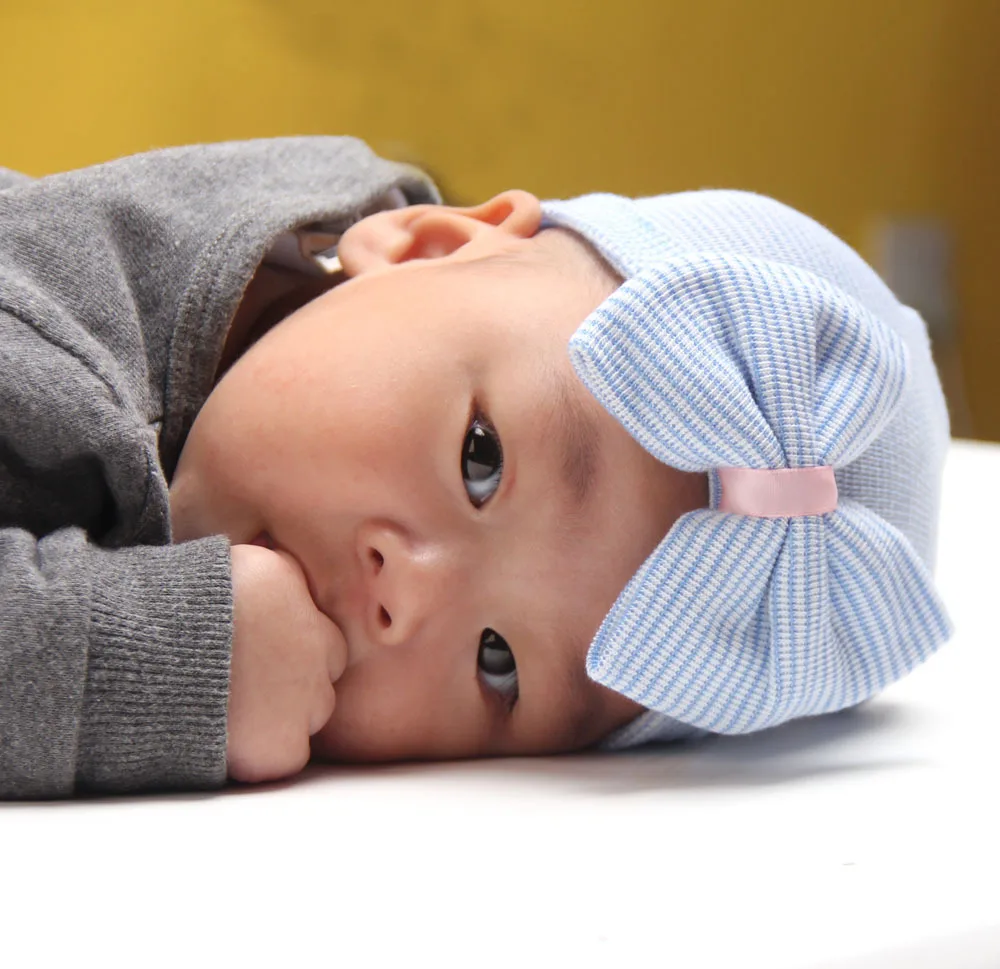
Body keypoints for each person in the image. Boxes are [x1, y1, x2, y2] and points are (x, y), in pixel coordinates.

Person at [0, 136, 952, 799]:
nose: (406, 599)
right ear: (428, 244)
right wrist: (148, 665)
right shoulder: (46, 335)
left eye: (499, 664)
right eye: (480, 460)